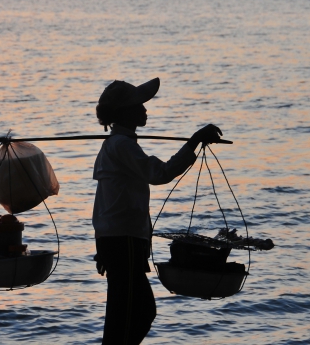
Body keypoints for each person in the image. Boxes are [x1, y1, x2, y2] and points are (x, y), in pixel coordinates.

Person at [92, 77, 222, 344]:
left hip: (120, 242)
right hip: (123, 242)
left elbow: (104, 203)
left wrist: (102, 246)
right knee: (130, 314)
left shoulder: (116, 145)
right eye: (139, 105)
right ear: (125, 113)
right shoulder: (121, 146)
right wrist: (194, 141)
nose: (145, 110)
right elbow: (160, 173)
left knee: (129, 312)